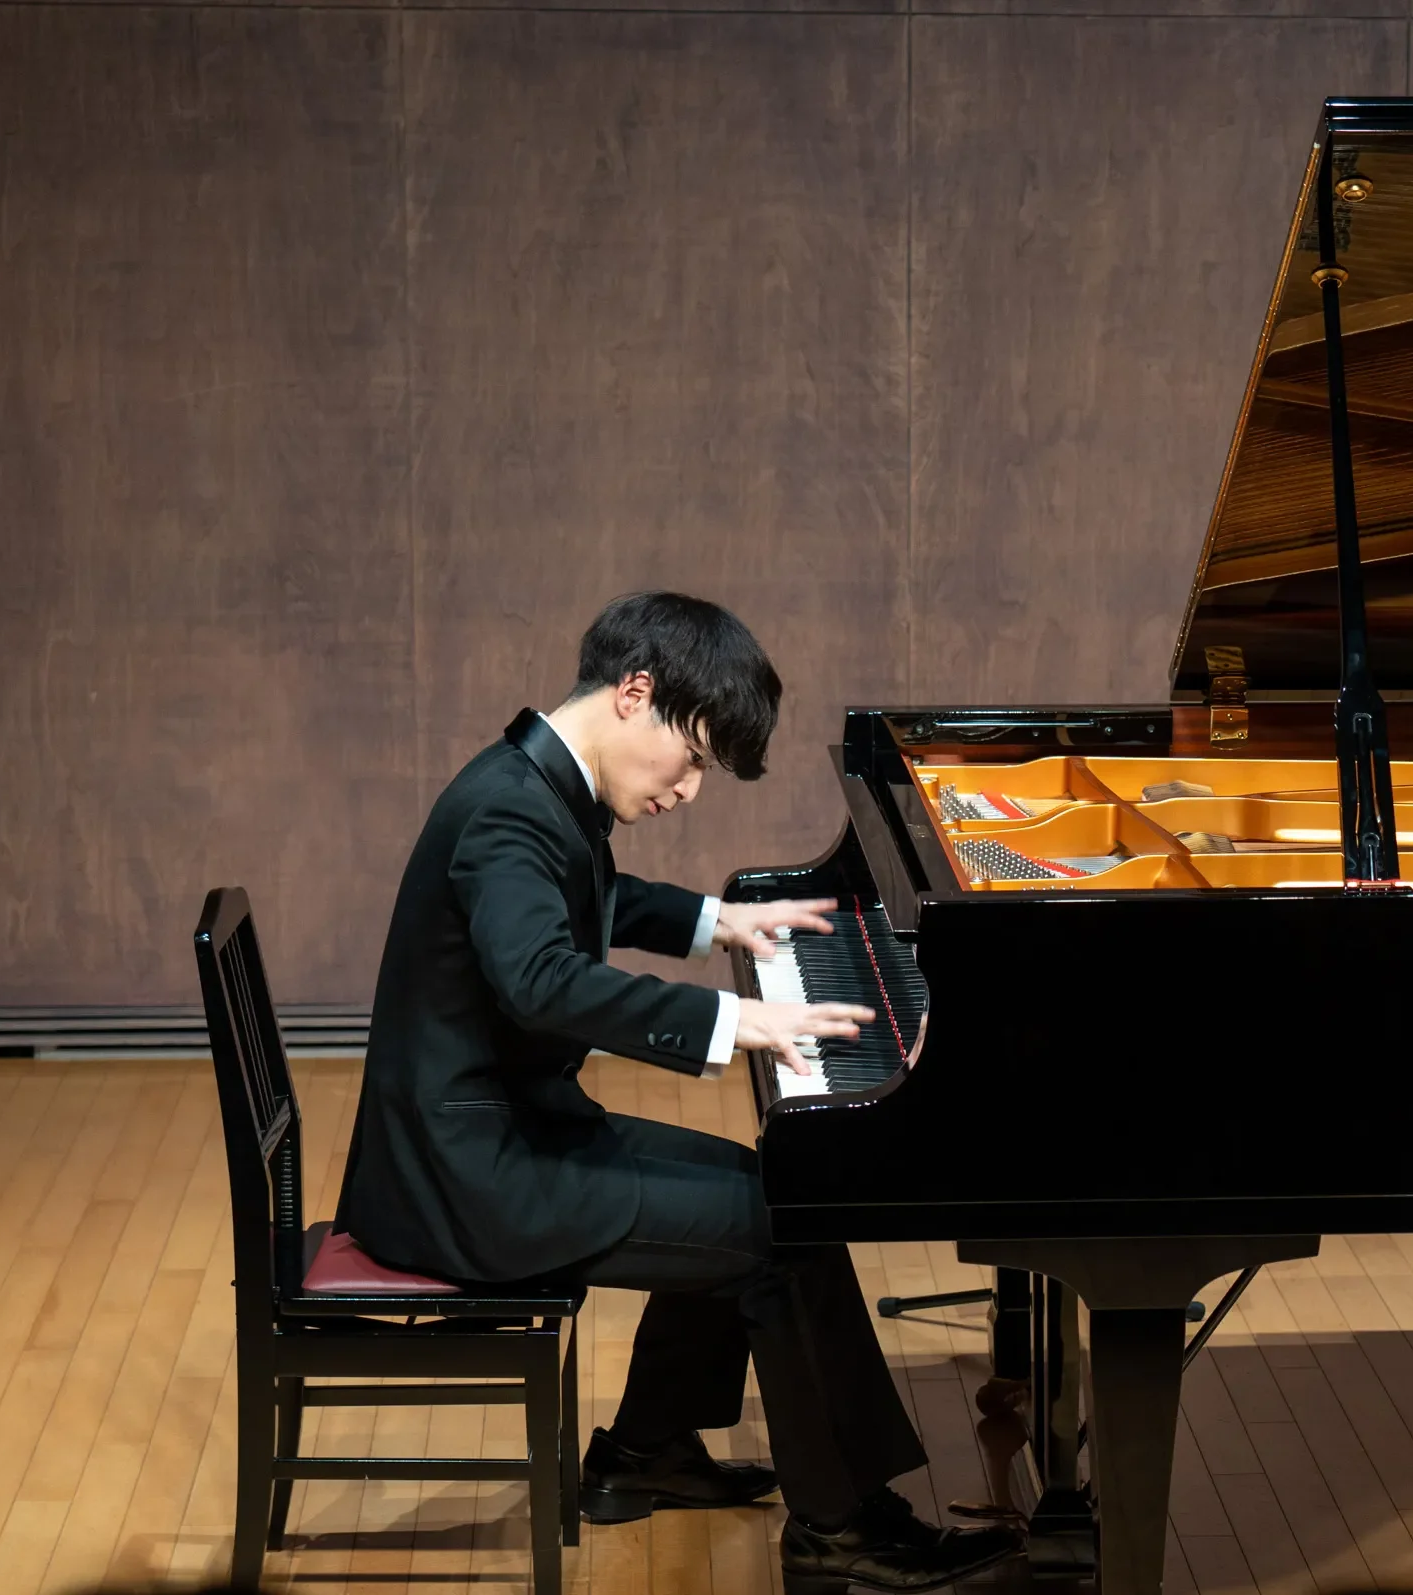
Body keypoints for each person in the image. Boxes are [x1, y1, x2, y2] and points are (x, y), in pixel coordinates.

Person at [333, 593, 1018, 1592]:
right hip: (469, 1180)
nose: (691, 788)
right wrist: (734, 1020)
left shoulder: (532, 783)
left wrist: (717, 923)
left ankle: (643, 1453)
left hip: (490, 1137)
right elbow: (541, 979)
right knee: (778, 1236)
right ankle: (841, 1530)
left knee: (765, 1182)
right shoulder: (508, 812)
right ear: (635, 692)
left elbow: (587, 897)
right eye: (691, 757)